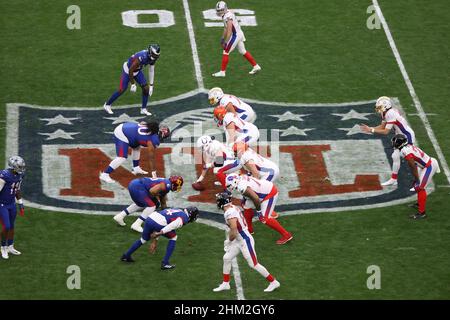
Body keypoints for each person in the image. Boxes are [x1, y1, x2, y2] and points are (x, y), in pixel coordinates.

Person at [212, 192, 280, 292]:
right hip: (239, 240)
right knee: (226, 258)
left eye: (218, 200)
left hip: (244, 240)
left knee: (254, 264)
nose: (217, 201)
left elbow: (234, 230)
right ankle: (225, 284)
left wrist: (228, 241)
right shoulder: (232, 207)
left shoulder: (229, 212)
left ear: (222, 202)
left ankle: (273, 282)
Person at [360, 96, 416, 186]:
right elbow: (382, 127)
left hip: (406, 136)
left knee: (411, 158)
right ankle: (394, 179)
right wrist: (370, 128)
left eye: (380, 107)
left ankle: (421, 175)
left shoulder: (390, 114)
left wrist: (371, 130)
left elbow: (386, 131)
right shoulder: (386, 113)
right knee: (395, 156)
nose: (378, 109)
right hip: (400, 136)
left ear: (386, 106)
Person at [121, 206, 199, 270]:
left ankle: (126, 256)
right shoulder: (184, 217)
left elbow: (163, 220)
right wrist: (160, 232)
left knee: (143, 239)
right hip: (158, 223)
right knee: (174, 237)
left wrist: (155, 240)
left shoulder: (178, 209)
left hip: (150, 218)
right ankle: (165, 263)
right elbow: (171, 226)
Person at [226, 173, 293, 244]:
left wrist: (258, 211)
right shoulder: (241, 178)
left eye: (229, 185)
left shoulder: (242, 187)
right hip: (262, 190)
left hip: (269, 193)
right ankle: (249, 229)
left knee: (264, 218)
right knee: (246, 206)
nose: (229, 187)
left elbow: (255, 198)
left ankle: (286, 235)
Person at [99, 121, 170, 184]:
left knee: (136, 147)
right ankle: (105, 174)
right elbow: (151, 157)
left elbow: (142, 122)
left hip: (128, 128)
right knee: (122, 157)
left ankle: (136, 168)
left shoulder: (152, 127)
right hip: (122, 133)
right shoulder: (153, 140)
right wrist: (154, 174)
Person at [391, 134, 440, 219]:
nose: (394, 144)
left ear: (399, 144)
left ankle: (422, 213)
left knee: (420, 187)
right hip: (424, 165)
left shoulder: (405, 151)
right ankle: (419, 203)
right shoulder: (407, 146)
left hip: (429, 166)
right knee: (416, 184)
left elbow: (413, 166)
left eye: (395, 142)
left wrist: (417, 179)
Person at [103, 44, 160, 115]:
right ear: (150, 52)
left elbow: (151, 70)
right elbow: (131, 70)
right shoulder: (142, 57)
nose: (155, 56)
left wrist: (151, 85)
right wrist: (133, 84)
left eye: (156, 55)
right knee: (122, 89)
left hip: (137, 71)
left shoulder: (152, 58)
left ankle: (143, 109)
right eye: (154, 54)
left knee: (146, 88)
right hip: (128, 70)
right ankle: (107, 105)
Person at [113, 176, 184, 232]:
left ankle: (120, 216)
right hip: (138, 187)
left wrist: (166, 216)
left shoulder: (166, 184)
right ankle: (137, 224)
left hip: (135, 185)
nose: (176, 188)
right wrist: (156, 197)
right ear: (174, 184)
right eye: (177, 186)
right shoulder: (166, 185)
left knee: (147, 204)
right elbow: (152, 191)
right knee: (152, 206)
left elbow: (163, 203)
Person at [233, 141, 280, 221]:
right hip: (269, 168)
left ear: (240, 150)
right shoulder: (247, 151)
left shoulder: (246, 157)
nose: (234, 153)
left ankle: (269, 212)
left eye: (235, 151)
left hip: (269, 173)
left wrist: (253, 183)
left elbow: (256, 173)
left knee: (260, 191)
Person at [212, 1, 261, 77]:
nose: (218, 12)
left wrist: (226, 41)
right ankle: (256, 66)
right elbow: (225, 27)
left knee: (225, 51)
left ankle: (222, 72)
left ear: (223, 9)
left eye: (219, 10)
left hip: (235, 35)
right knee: (242, 51)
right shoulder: (225, 14)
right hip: (239, 33)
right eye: (218, 10)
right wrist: (222, 37)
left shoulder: (227, 16)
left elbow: (229, 30)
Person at [0, 156, 26, 259]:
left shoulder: (20, 176)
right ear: (13, 166)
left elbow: (17, 189)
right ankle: (3, 247)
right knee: (6, 226)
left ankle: (10, 246)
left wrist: (20, 203)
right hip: (2, 204)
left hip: (12, 204)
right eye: (19, 167)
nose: (21, 169)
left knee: (11, 226)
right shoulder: (4, 175)